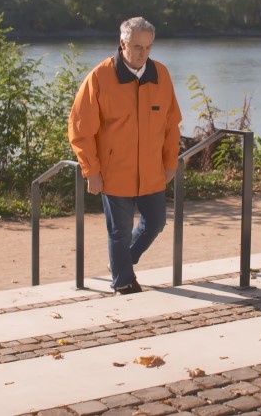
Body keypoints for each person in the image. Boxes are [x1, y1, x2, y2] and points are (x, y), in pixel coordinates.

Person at [68, 17, 182, 295]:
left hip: (152, 171)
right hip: (113, 171)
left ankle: (121, 263)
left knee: (155, 223)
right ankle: (123, 282)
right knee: (118, 231)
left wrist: (170, 163)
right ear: (122, 44)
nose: (142, 53)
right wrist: (91, 171)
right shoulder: (99, 77)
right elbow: (80, 128)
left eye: (148, 47)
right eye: (136, 46)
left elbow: (171, 125)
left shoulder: (161, 75)